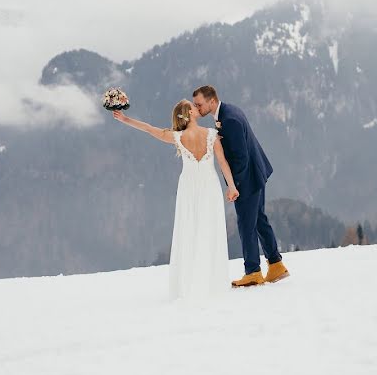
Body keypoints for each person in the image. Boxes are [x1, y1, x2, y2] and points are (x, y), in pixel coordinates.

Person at [113, 99, 233, 300]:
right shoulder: (212, 135)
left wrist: (125, 119)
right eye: (194, 107)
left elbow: (149, 129)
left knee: (189, 231)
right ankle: (211, 281)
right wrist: (231, 186)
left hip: (188, 187)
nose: (197, 108)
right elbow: (222, 162)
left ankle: (190, 282)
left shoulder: (177, 137)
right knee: (209, 230)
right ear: (190, 114)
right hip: (209, 186)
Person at [192, 85, 289, 287]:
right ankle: (276, 264)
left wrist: (234, 186)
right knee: (259, 220)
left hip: (247, 178)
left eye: (199, 104)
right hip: (257, 172)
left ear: (211, 101)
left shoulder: (229, 120)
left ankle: (253, 271)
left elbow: (240, 158)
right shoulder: (228, 112)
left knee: (246, 224)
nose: (197, 108)